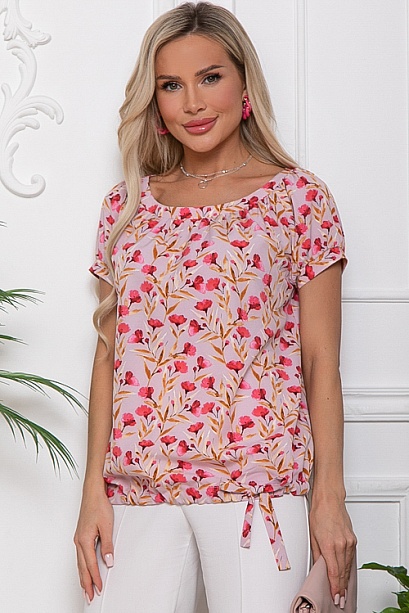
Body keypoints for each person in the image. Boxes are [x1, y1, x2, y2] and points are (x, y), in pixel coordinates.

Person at [74, 2, 357, 611]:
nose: (193, 103)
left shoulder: (298, 199)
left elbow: (321, 362)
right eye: (171, 85)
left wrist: (329, 497)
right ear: (154, 102)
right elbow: (108, 360)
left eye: (210, 77)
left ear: (244, 83)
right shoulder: (126, 208)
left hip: (257, 489)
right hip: (137, 492)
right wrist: (92, 491)